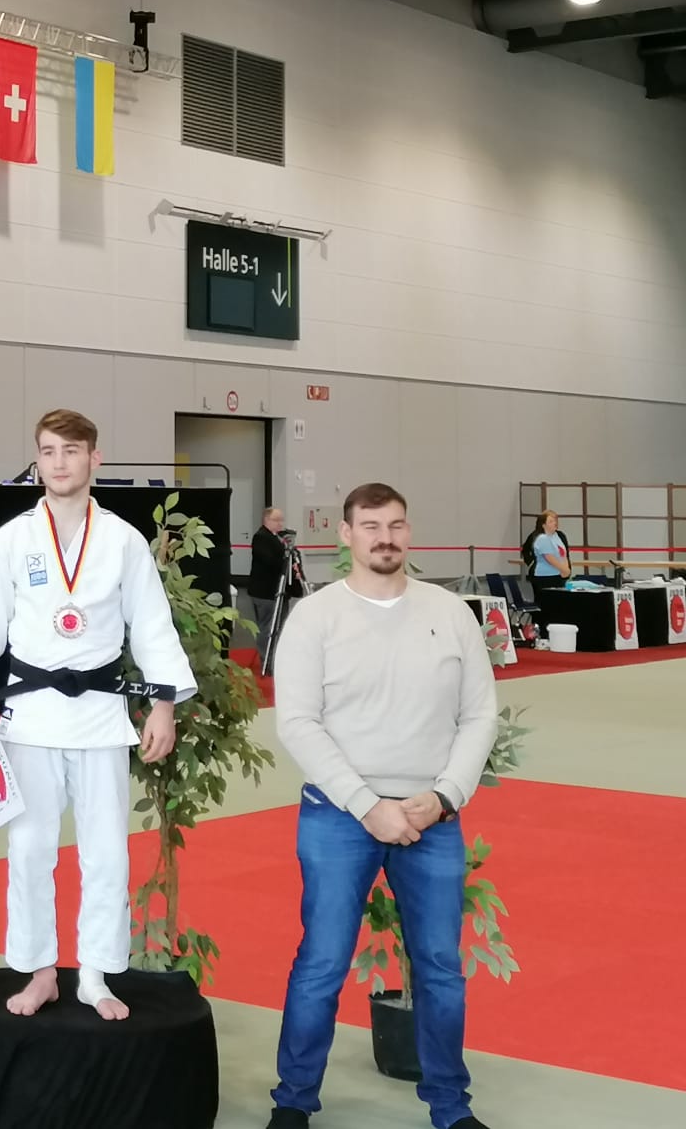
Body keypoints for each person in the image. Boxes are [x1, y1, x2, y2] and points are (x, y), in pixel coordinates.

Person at [0, 408, 196, 1020]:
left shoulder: (122, 540)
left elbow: (152, 626)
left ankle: (94, 973)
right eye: (48, 451)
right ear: (38, 461)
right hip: (29, 715)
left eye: (70, 450)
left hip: (101, 715)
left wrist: (163, 704)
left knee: (106, 853)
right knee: (30, 850)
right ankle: (39, 971)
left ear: (94, 458)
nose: (58, 463)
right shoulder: (11, 539)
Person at [266, 483, 499, 1129]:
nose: (385, 538)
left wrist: (445, 796)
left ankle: (450, 1108)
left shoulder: (450, 612)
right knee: (322, 964)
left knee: (440, 969)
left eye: (395, 525)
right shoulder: (314, 618)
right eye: (370, 526)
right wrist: (368, 805)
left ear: (409, 532)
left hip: (432, 817)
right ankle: (293, 1102)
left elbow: (480, 715)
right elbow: (298, 723)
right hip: (339, 815)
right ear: (346, 535)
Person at [245, 506, 290, 643]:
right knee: (267, 628)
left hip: (277, 590)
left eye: (281, 520)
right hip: (265, 592)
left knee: (278, 625)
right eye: (277, 520)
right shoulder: (261, 537)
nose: (280, 523)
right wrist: (285, 557)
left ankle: (275, 651)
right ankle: (266, 654)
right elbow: (269, 560)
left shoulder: (277, 538)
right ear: (266, 520)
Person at [523, 510, 570, 597]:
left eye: (556, 520)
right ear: (543, 524)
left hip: (559, 575)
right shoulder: (539, 537)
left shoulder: (560, 536)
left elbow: (564, 554)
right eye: (551, 521)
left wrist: (566, 570)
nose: (555, 523)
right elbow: (548, 557)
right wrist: (531, 563)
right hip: (543, 576)